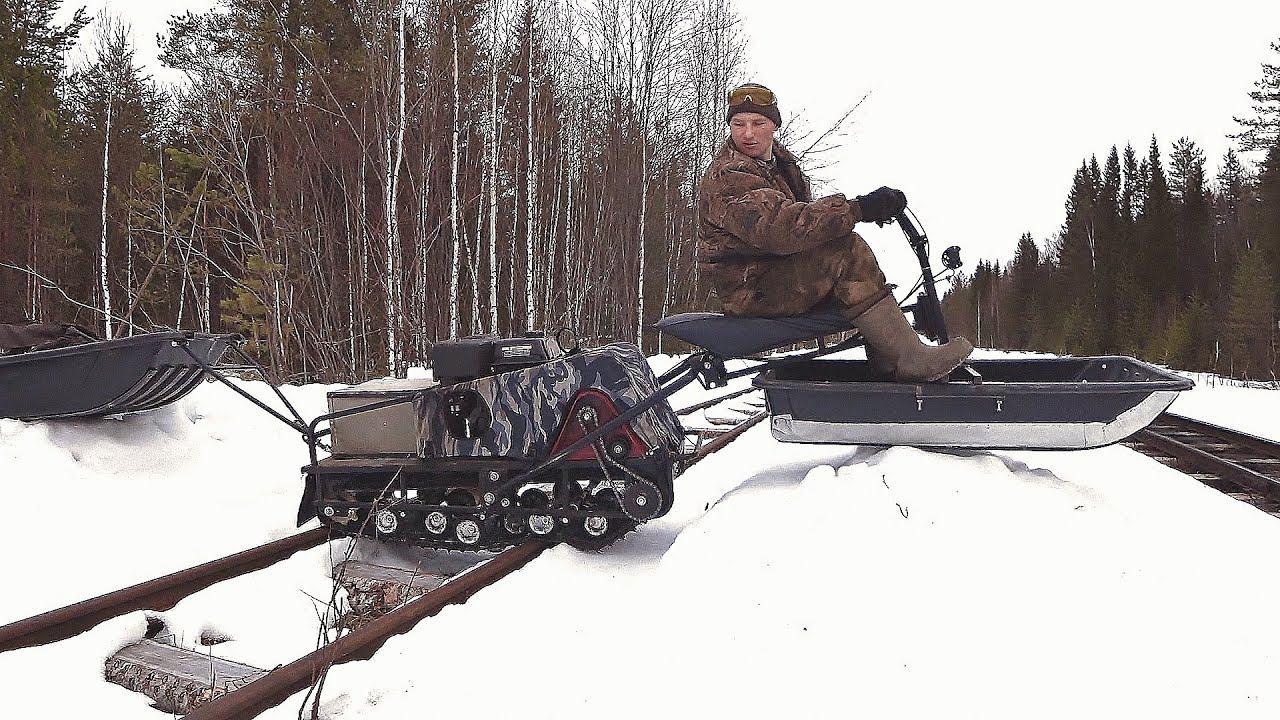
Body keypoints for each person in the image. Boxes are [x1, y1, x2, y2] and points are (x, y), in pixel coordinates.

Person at [696, 82, 973, 382]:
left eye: (757, 123)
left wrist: (861, 213)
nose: (747, 133)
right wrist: (857, 209)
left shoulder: (779, 165)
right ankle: (908, 359)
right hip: (750, 290)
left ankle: (889, 360)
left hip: (772, 277)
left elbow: (804, 229)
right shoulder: (729, 175)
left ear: (774, 125)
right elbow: (781, 229)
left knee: (846, 254)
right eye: (738, 124)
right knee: (846, 252)